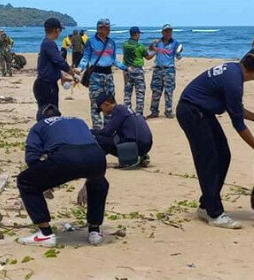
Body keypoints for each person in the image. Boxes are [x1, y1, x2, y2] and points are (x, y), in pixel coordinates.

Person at [177, 48, 254, 229]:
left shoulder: (233, 71)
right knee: (210, 160)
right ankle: (214, 214)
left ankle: (206, 204)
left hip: (201, 111)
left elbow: (235, 108)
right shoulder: (233, 82)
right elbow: (238, 124)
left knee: (223, 155)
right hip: (192, 112)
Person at [17, 104, 110, 247]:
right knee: (99, 183)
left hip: (66, 157)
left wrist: (44, 181)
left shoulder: (39, 126)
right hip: (97, 158)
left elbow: (32, 158)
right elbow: (94, 141)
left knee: (25, 181)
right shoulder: (78, 121)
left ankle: (45, 234)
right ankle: (95, 231)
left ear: (39, 118)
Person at [79, 18, 129, 129]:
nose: (108, 30)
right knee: (95, 103)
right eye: (105, 28)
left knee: (110, 103)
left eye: (108, 28)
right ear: (99, 29)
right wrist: (80, 68)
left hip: (109, 76)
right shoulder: (91, 41)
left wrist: (125, 68)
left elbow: (114, 59)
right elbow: (86, 57)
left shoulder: (111, 42)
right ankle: (97, 129)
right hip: (95, 75)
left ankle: (109, 128)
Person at [92, 94, 153, 168]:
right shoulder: (124, 109)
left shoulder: (118, 111)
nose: (103, 112)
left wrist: (89, 131)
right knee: (114, 137)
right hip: (145, 145)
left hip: (136, 146)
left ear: (106, 104)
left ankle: (94, 160)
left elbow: (107, 132)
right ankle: (140, 155)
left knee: (96, 138)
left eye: (101, 109)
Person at [34, 18, 78, 114]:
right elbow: (60, 62)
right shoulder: (49, 44)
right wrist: (74, 74)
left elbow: (53, 64)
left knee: (51, 113)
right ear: (57, 30)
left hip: (47, 85)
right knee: (50, 115)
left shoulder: (47, 43)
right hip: (46, 86)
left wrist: (62, 77)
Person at [146, 24, 181, 119]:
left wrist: (178, 53)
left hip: (169, 70)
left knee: (169, 91)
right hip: (158, 69)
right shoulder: (158, 42)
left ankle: (168, 111)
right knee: (156, 91)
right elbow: (149, 51)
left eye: (170, 31)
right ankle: (154, 111)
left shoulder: (175, 43)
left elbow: (178, 57)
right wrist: (151, 45)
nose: (168, 33)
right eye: (166, 31)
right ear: (162, 32)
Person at [122, 26, 156, 116]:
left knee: (127, 92)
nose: (139, 36)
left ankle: (127, 112)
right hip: (137, 70)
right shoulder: (139, 46)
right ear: (136, 34)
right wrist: (155, 51)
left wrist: (150, 47)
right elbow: (147, 56)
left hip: (127, 70)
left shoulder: (125, 44)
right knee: (140, 92)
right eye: (139, 34)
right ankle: (139, 114)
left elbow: (143, 51)